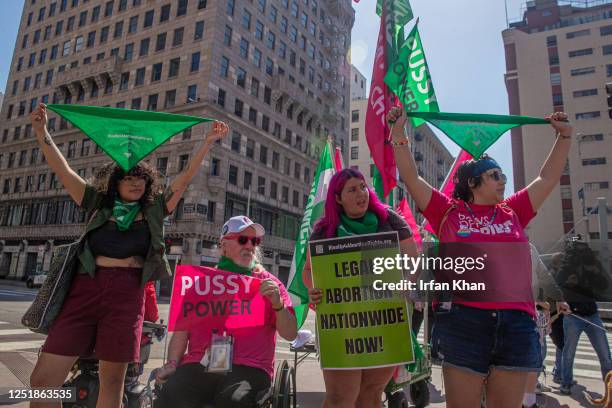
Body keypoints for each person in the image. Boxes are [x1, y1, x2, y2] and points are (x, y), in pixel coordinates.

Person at [27, 103, 228, 408]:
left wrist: (206, 142)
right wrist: (42, 131)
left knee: (112, 384)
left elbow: (185, 178)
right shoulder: (96, 202)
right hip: (85, 289)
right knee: (42, 382)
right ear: (115, 183)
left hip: (126, 294)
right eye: (128, 177)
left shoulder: (155, 209)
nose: (136, 182)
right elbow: (62, 169)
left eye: (141, 179)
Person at [387, 107, 572, 408]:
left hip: (516, 323)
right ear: (472, 183)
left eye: (503, 175)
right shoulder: (447, 212)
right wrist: (398, 133)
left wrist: (563, 137)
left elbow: (546, 178)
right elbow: (411, 176)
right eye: (495, 176)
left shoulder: (514, 210)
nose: (503, 181)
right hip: (464, 322)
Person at [304, 168, 419, 408]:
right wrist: (313, 287)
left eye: (363, 187)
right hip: (342, 324)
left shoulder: (389, 220)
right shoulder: (324, 231)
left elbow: (413, 260)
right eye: (352, 190)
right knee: (340, 397)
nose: (361, 194)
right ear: (338, 198)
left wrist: (408, 281)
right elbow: (308, 271)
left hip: (385, 322)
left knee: (370, 394)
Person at [155, 216, 298, 408]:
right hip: (201, 363)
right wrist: (172, 363)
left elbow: (290, 334)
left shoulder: (269, 284)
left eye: (254, 241)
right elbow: (182, 332)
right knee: (172, 394)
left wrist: (278, 305)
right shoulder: (202, 283)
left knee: (233, 401)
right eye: (242, 239)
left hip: (250, 366)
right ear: (223, 245)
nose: (249, 245)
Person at [555, 239, 612, 395]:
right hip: (573, 315)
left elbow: (604, 286)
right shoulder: (566, 267)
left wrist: (595, 272)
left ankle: (610, 387)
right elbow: (556, 285)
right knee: (569, 352)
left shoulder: (592, 265)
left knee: (605, 354)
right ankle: (565, 383)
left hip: (592, 313)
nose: (583, 253)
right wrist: (569, 284)